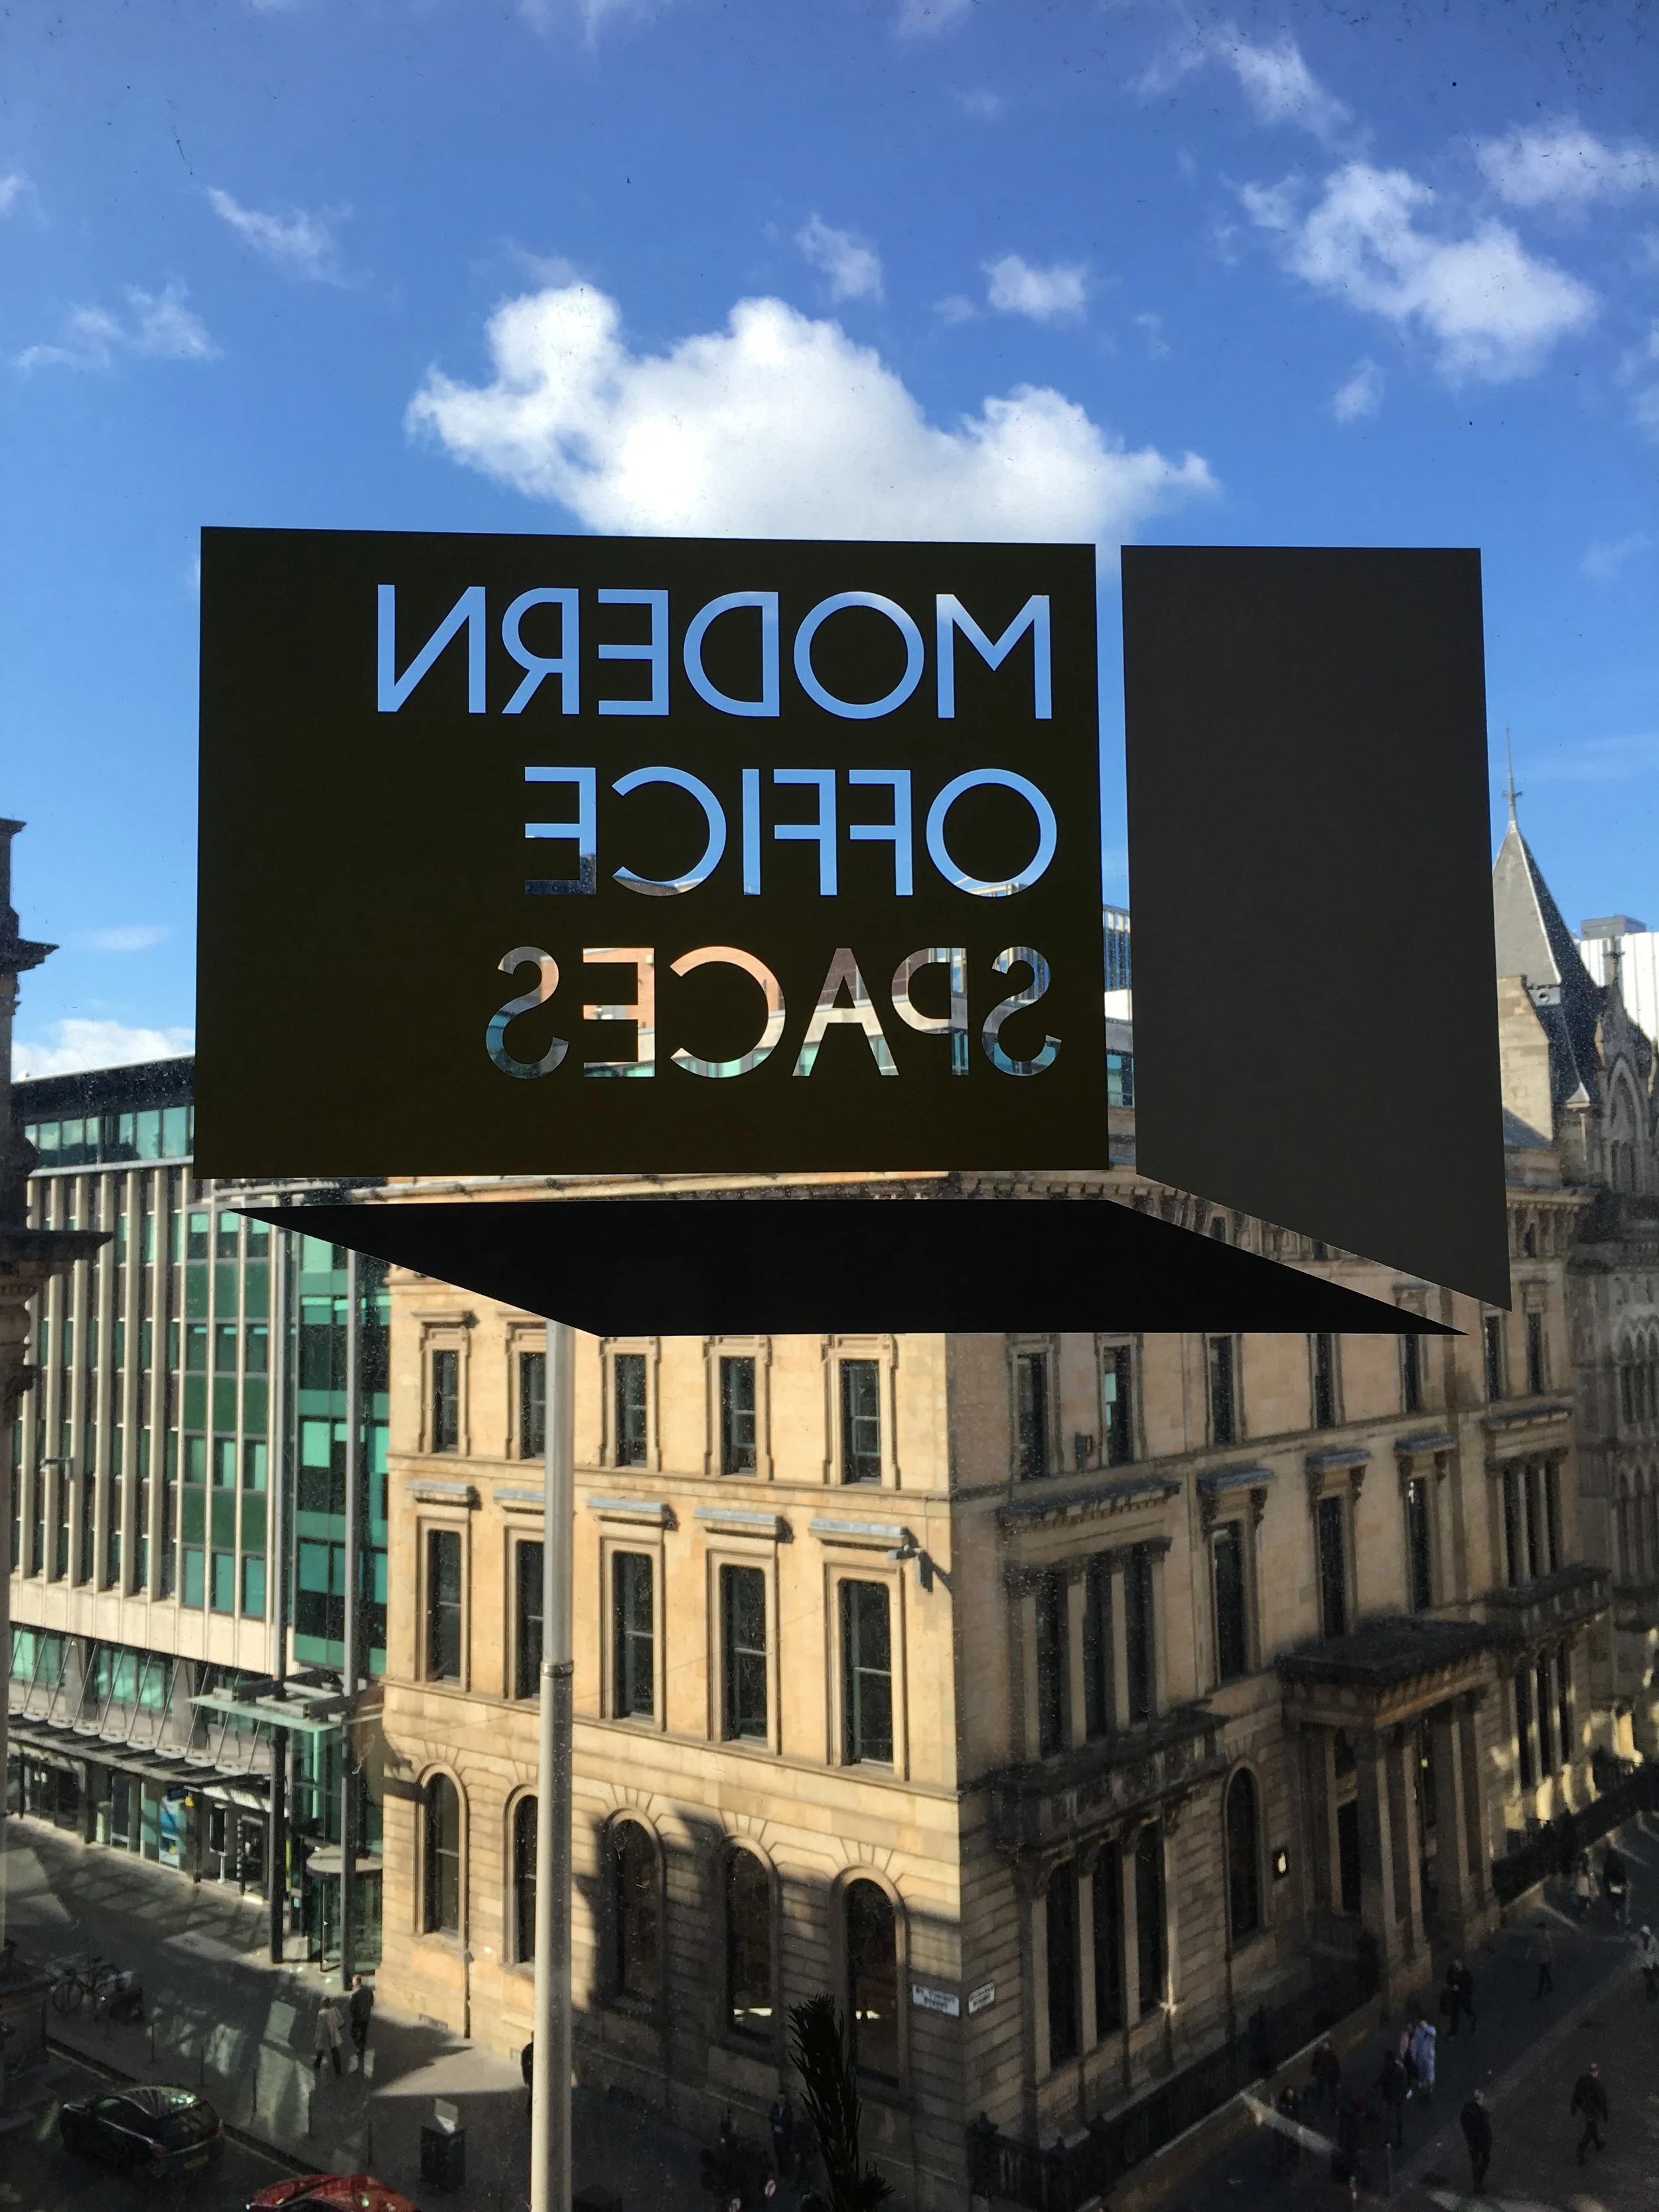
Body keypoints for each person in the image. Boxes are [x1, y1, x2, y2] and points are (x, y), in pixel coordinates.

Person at [1570, 2060, 1609, 2164]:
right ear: (1596, 2072)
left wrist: (1574, 2107)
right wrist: (1605, 2112)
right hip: (1592, 2111)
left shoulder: (1582, 2080)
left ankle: (1598, 2143)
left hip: (1585, 2109)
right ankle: (1580, 2151)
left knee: (1592, 2126)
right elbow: (1602, 2100)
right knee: (1590, 2130)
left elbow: (1576, 2094)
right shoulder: (1596, 2085)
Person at [1376, 2047, 1409, 2148]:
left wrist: (1399, 2099)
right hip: (1389, 2098)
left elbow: (1404, 2087)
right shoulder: (1388, 2069)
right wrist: (1375, 2085)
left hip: (1396, 2100)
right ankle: (1389, 2139)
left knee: (1396, 2120)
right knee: (1388, 2120)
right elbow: (1382, 2078)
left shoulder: (1399, 2071)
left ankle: (1398, 2138)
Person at [1460, 2088, 1492, 2193]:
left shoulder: (1466, 2110)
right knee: (1485, 2158)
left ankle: (1477, 2182)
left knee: (1475, 2159)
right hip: (1482, 2140)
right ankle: (1478, 2181)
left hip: (1472, 2139)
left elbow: (1463, 2122)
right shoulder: (1481, 2112)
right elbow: (1485, 2123)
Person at [1442, 1956, 1477, 2036]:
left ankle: (1474, 2021)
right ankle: (1453, 2032)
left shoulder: (1467, 1974)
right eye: (1455, 1969)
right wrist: (1452, 1985)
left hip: (1464, 1997)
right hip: (1455, 1997)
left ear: (1461, 1966)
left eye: (1457, 1969)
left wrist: (1459, 1989)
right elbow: (1448, 1977)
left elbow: (1469, 1988)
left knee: (1467, 2010)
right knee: (1454, 2014)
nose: (1456, 1971)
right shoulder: (1452, 1970)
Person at [1273, 2081, 1301, 2172]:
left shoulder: (1296, 2102)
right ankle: (1283, 2157)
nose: (1290, 2095)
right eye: (1288, 2093)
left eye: (1290, 2093)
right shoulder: (1283, 2103)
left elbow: (1298, 2114)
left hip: (1293, 2125)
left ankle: (1295, 2157)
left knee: (1294, 2142)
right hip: (1285, 2125)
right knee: (1283, 2142)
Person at [1409, 2015, 1437, 2103]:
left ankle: (1431, 2091)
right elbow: (1416, 2043)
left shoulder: (1430, 2029)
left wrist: (1425, 2027)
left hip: (1429, 2057)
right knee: (1422, 2072)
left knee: (1430, 2075)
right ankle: (1423, 2086)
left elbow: (1433, 2034)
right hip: (1421, 2056)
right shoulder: (1418, 2031)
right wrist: (1414, 2055)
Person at [313, 1994, 342, 2077]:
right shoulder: (334, 2010)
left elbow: (320, 2027)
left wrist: (317, 2036)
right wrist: (336, 2028)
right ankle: (338, 2068)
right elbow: (341, 2022)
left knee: (322, 2049)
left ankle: (317, 2063)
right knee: (334, 2051)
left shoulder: (322, 2013)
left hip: (325, 2034)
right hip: (333, 2034)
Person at [769, 2090, 795, 2181]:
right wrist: (777, 2122)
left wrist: (777, 2121)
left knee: (785, 2154)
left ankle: (786, 2174)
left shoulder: (788, 2108)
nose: (780, 2100)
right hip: (777, 2134)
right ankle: (780, 2172)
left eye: (782, 2099)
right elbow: (770, 2117)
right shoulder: (776, 2106)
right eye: (779, 2098)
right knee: (778, 2153)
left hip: (784, 2136)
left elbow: (784, 2122)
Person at [348, 1975, 374, 2067]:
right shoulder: (368, 1990)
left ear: (355, 1982)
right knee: (364, 2032)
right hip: (366, 2015)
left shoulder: (355, 1993)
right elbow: (372, 2002)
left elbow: (351, 2007)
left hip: (358, 2017)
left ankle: (359, 2046)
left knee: (353, 2032)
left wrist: (354, 2015)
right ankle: (362, 2047)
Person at [1311, 2036, 1341, 2112]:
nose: (1326, 2047)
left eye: (1327, 2045)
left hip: (1330, 2076)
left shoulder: (1332, 2056)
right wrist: (1314, 2073)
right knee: (1320, 2090)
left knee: (1332, 2092)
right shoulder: (1318, 2054)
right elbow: (1315, 2064)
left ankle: (1335, 2106)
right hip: (1322, 2075)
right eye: (1325, 2045)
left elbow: (1337, 2068)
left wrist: (1337, 2080)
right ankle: (1319, 2103)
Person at [1602, 1846, 1629, 1927]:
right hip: (1619, 1885)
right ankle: (1617, 1910)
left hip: (1611, 1885)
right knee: (1619, 1898)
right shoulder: (1620, 1864)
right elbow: (1623, 1876)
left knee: (1613, 1899)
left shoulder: (1608, 1865)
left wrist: (1606, 1883)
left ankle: (1615, 1911)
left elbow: (1606, 1877)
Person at [1528, 1917, 1555, 1997]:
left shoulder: (1543, 1936)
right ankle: (1550, 1985)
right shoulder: (1545, 1935)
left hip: (1543, 1957)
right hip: (1544, 1957)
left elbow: (1533, 1945)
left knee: (1542, 1974)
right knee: (1545, 1972)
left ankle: (1540, 1991)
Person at [1638, 1922, 1659, 2002]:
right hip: (1646, 1965)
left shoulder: (1653, 1941)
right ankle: (1652, 1996)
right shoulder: (1641, 1942)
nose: (1643, 1936)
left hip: (1653, 1963)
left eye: (1644, 1934)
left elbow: (1656, 1952)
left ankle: (1653, 1996)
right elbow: (1642, 1953)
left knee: (1652, 1980)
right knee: (1650, 1981)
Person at [1573, 1853, 1596, 1919]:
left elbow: (1591, 1879)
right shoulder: (1578, 1869)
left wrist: (1592, 1888)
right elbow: (1575, 1877)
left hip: (1585, 1888)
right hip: (1579, 1887)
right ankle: (1580, 1911)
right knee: (1580, 1901)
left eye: (1581, 1862)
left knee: (1583, 1901)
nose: (1580, 1863)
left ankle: (1581, 1912)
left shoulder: (1588, 1869)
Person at [521, 2039, 534, 2120]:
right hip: (532, 2075)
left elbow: (524, 2064)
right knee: (533, 2093)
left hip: (532, 2075)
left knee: (533, 2093)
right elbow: (525, 2064)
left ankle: (529, 2110)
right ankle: (529, 2110)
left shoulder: (528, 2049)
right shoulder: (529, 2050)